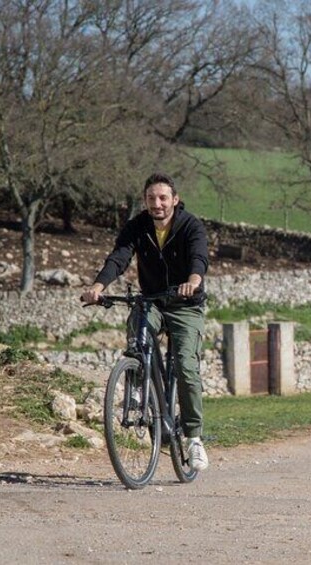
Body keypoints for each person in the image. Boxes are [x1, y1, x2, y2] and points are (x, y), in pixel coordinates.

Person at [81, 172, 210, 471]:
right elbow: (119, 257)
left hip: (184, 304)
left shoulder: (190, 225)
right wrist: (99, 287)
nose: (157, 203)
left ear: (175, 200)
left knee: (186, 366)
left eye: (163, 198)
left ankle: (193, 439)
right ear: (145, 201)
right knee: (137, 325)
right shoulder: (137, 226)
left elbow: (199, 257)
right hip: (152, 299)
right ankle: (137, 386)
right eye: (151, 198)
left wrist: (193, 280)